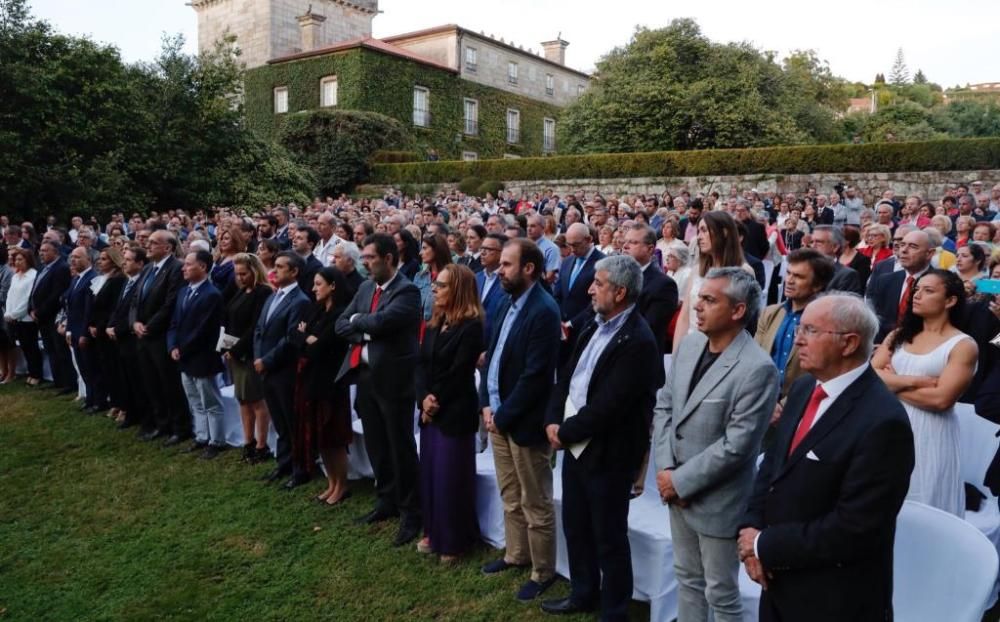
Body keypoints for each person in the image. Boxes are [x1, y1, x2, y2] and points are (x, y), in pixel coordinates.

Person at [738, 294, 915, 622]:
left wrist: (763, 544)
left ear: (848, 343)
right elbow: (772, 471)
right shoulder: (805, 388)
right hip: (777, 581)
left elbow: (856, 527)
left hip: (833, 598)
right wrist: (751, 529)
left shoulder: (882, 422)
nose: (798, 339)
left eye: (810, 330)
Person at [653, 268, 778, 622]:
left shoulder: (757, 368)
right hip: (674, 488)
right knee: (687, 580)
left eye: (710, 300)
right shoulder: (691, 346)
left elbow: (737, 445)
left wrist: (679, 481)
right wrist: (665, 470)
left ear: (738, 310)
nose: (697, 307)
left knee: (720, 593)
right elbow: (665, 406)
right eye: (699, 298)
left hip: (717, 500)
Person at [541, 255, 663, 620]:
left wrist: (563, 432)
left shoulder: (638, 340)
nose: (590, 289)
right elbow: (566, 376)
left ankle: (614, 610)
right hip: (575, 448)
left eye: (599, 283)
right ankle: (583, 592)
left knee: (609, 537)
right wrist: (552, 419)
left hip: (607, 453)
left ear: (620, 292)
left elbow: (610, 406)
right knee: (576, 526)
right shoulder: (592, 324)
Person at [478, 238, 561, 602]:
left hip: (522, 422)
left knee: (535, 500)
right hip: (498, 415)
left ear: (529, 269)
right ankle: (515, 554)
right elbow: (491, 357)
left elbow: (536, 375)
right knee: (510, 494)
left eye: (507, 264)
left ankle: (542, 571)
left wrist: (502, 414)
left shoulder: (544, 310)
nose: (499, 269)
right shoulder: (504, 302)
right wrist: (485, 404)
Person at [335, 233, 423, 547]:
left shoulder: (408, 291)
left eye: (370, 257)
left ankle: (412, 510)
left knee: (399, 445)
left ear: (388, 258)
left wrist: (363, 324)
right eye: (363, 257)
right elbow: (341, 324)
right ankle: (386, 499)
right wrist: (364, 328)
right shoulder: (364, 288)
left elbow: (385, 321)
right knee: (376, 443)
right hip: (366, 376)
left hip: (394, 380)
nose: (365, 263)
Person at [872, 270, 977, 517]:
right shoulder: (898, 335)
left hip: (931, 434)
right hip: (887, 426)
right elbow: (871, 377)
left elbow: (941, 400)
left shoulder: (963, 345)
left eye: (928, 291)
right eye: (917, 289)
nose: (917, 295)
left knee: (926, 501)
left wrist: (892, 383)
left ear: (950, 301)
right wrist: (916, 381)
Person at [414, 264, 485, 562]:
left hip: (453, 410)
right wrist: (422, 399)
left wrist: (435, 401)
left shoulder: (471, 326)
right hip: (431, 410)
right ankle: (434, 530)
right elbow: (421, 364)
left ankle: (454, 539)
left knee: (450, 478)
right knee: (431, 474)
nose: (435, 289)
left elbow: (459, 372)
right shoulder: (435, 321)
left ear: (457, 289)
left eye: (441, 285)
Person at [292, 266, 354, 504]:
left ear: (333, 286)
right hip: (312, 379)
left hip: (331, 383)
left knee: (333, 437)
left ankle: (342, 484)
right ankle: (331, 482)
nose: (314, 288)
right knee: (321, 437)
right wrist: (307, 338)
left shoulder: (339, 314)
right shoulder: (316, 310)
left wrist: (306, 337)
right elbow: (294, 334)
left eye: (319, 284)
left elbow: (321, 347)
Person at [254, 252, 311, 487]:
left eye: (280, 267)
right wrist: (258, 356)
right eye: (274, 267)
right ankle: (284, 462)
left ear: (294, 272)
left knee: (291, 419)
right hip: (267, 368)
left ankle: (300, 468)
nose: (274, 271)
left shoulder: (300, 301)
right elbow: (260, 329)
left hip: (284, 369)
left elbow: (290, 339)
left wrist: (267, 360)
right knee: (278, 418)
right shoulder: (273, 296)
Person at [131, 230, 189, 445]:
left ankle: (179, 427)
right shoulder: (147, 269)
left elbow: (170, 303)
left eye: (154, 242)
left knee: (168, 384)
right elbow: (136, 299)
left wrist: (150, 326)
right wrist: (135, 322)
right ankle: (161, 423)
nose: (148, 244)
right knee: (151, 382)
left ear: (168, 247)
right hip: (143, 335)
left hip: (161, 335)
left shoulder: (175, 268)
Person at [755, 249, 834, 406]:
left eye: (798, 277)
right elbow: (755, 357)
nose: (789, 280)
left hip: (800, 405)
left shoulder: (828, 321)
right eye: (789, 273)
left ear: (817, 285)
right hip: (760, 399)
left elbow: (821, 371)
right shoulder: (770, 313)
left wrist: (784, 406)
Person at [168, 250, 227, 459]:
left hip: (202, 356)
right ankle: (201, 436)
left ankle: (217, 440)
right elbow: (174, 322)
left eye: (188, 264)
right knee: (194, 399)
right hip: (184, 355)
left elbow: (202, 329)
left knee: (210, 399)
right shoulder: (184, 292)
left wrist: (183, 348)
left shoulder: (211, 294)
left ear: (202, 267)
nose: (183, 268)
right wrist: (173, 345)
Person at [673, 211, 750, 351]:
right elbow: (684, 316)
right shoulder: (696, 270)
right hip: (690, 346)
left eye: (704, 230)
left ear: (724, 232)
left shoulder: (743, 271)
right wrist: (676, 355)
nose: (698, 237)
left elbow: (743, 322)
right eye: (698, 231)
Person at [223, 253, 274, 463]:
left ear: (254, 271)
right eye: (237, 274)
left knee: (256, 401)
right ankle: (248, 440)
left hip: (250, 353)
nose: (240, 278)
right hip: (235, 353)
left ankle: (262, 445)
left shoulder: (262, 292)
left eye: (244, 273)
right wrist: (225, 347)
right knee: (243, 400)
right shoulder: (241, 291)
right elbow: (230, 321)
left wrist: (235, 349)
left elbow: (255, 327)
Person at [866, 229, 934, 344]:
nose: (903, 250)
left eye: (913, 246)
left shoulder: (941, 283)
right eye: (902, 245)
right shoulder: (885, 281)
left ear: (929, 253)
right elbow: (878, 320)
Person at [623, 225, 679, 354]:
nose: (625, 246)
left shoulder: (664, 285)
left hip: (639, 357)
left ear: (650, 249)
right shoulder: (615, 276)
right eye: (625, 241)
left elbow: (648, 330)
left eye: (633, 242)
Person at [106, 246, 146, 428]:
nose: (124, 262)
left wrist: (119, 328)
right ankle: (130, 411)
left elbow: (134, 311)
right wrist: (110, 326)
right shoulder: (126, 281)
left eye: (129, 260)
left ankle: (139, 414)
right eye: (124, 259)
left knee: (137, 380)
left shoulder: (141, 283)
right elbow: (118, 308)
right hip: (119, 338)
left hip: (131, 338)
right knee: (125, 378)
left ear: (140, 263)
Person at [30, 240, 75, 393]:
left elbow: (57, 294)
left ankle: (68, 382)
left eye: (45, 250)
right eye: (40, 250)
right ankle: (57, 380)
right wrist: (32, 309)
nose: (41, 253)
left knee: (60, 350)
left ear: (55, 251)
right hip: (42, 317)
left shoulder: (61, 268)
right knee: (51, 350)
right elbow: (36, 290)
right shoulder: (44, 268)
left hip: (52, 316)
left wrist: (40, 311)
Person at [86, 248, 127, 414]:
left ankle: (122, 404)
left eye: (104, 259)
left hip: (108, 331)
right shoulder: (102, 279)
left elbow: (113, 308)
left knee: (115, 369)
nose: (99, 262)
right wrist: (91, 324)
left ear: (113, 261)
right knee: (107, 369)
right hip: (98, 331)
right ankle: (115, 402)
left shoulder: (117, 280)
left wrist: (100, 326)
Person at [555, 223, 605, 342]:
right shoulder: (567, 261)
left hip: (584, 330)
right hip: (561, 329)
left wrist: (571, 324)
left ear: (589, 239)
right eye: (569, 245)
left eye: (576, 245)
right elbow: (558, 295)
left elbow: (598, 302)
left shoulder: (603, 263)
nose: (572, 249)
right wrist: (559, 320)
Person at [64, 247, 98, 412]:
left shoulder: (92, 278)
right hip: (75, 331)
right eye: (72, 257)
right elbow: (71, 308)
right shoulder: (76, 279)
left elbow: (89, 310)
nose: (73, 260)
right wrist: (69, 330)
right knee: (83, 368)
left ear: (88, 259)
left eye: (77, 257)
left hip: (85, 333)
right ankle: (90, 399)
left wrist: (84, 334)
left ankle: (98, 400)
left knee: (91, 367)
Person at [4, 248, 41, 385]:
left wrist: (15, 313)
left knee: (32, 347)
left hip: (26, 318)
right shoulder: (15, 276)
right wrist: (8, 312)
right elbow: (10, 296)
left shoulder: (32, 276)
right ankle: (31, 372)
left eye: (20, 259)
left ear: (28, 260)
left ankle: (36, 374)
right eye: (16, 260)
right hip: (14, 318)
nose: (17, 262)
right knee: (24, 347)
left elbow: (27, 298)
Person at [809, 225, 863, 295]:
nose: (813, 246)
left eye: (819, 242)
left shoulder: (847, 275)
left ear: (835, 247)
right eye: (811, 242)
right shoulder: (802, 270)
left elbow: (844, 304)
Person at [475, 233, 508, 347]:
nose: (482, 253)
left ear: (502, 252)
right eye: (482, 248)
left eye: (488, 249)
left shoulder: (508, 280)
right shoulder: (476, 277)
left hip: (494, 346)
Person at [413, 233, 453, 323]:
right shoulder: (419, 276)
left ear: (436, 249)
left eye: (424, 248)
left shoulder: (451, 277)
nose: (420, 253)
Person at [211, 224, 245, 294]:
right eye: (222, 239)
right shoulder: (220, 258)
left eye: (226, 239)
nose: (222, 241)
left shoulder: (239, 261)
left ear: (235, 241)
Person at [292, 226, 323, 300]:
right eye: (294, 237)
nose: (294, 240)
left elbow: (309, 294)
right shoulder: (288, 260)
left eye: (299, 238)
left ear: (310, 244)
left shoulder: (316, 267)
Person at [0, 245, 14, 382]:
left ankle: (11, 372)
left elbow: (4, 294)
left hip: (4, 312)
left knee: (8, 343)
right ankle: (2, 370)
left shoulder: (7, 271)